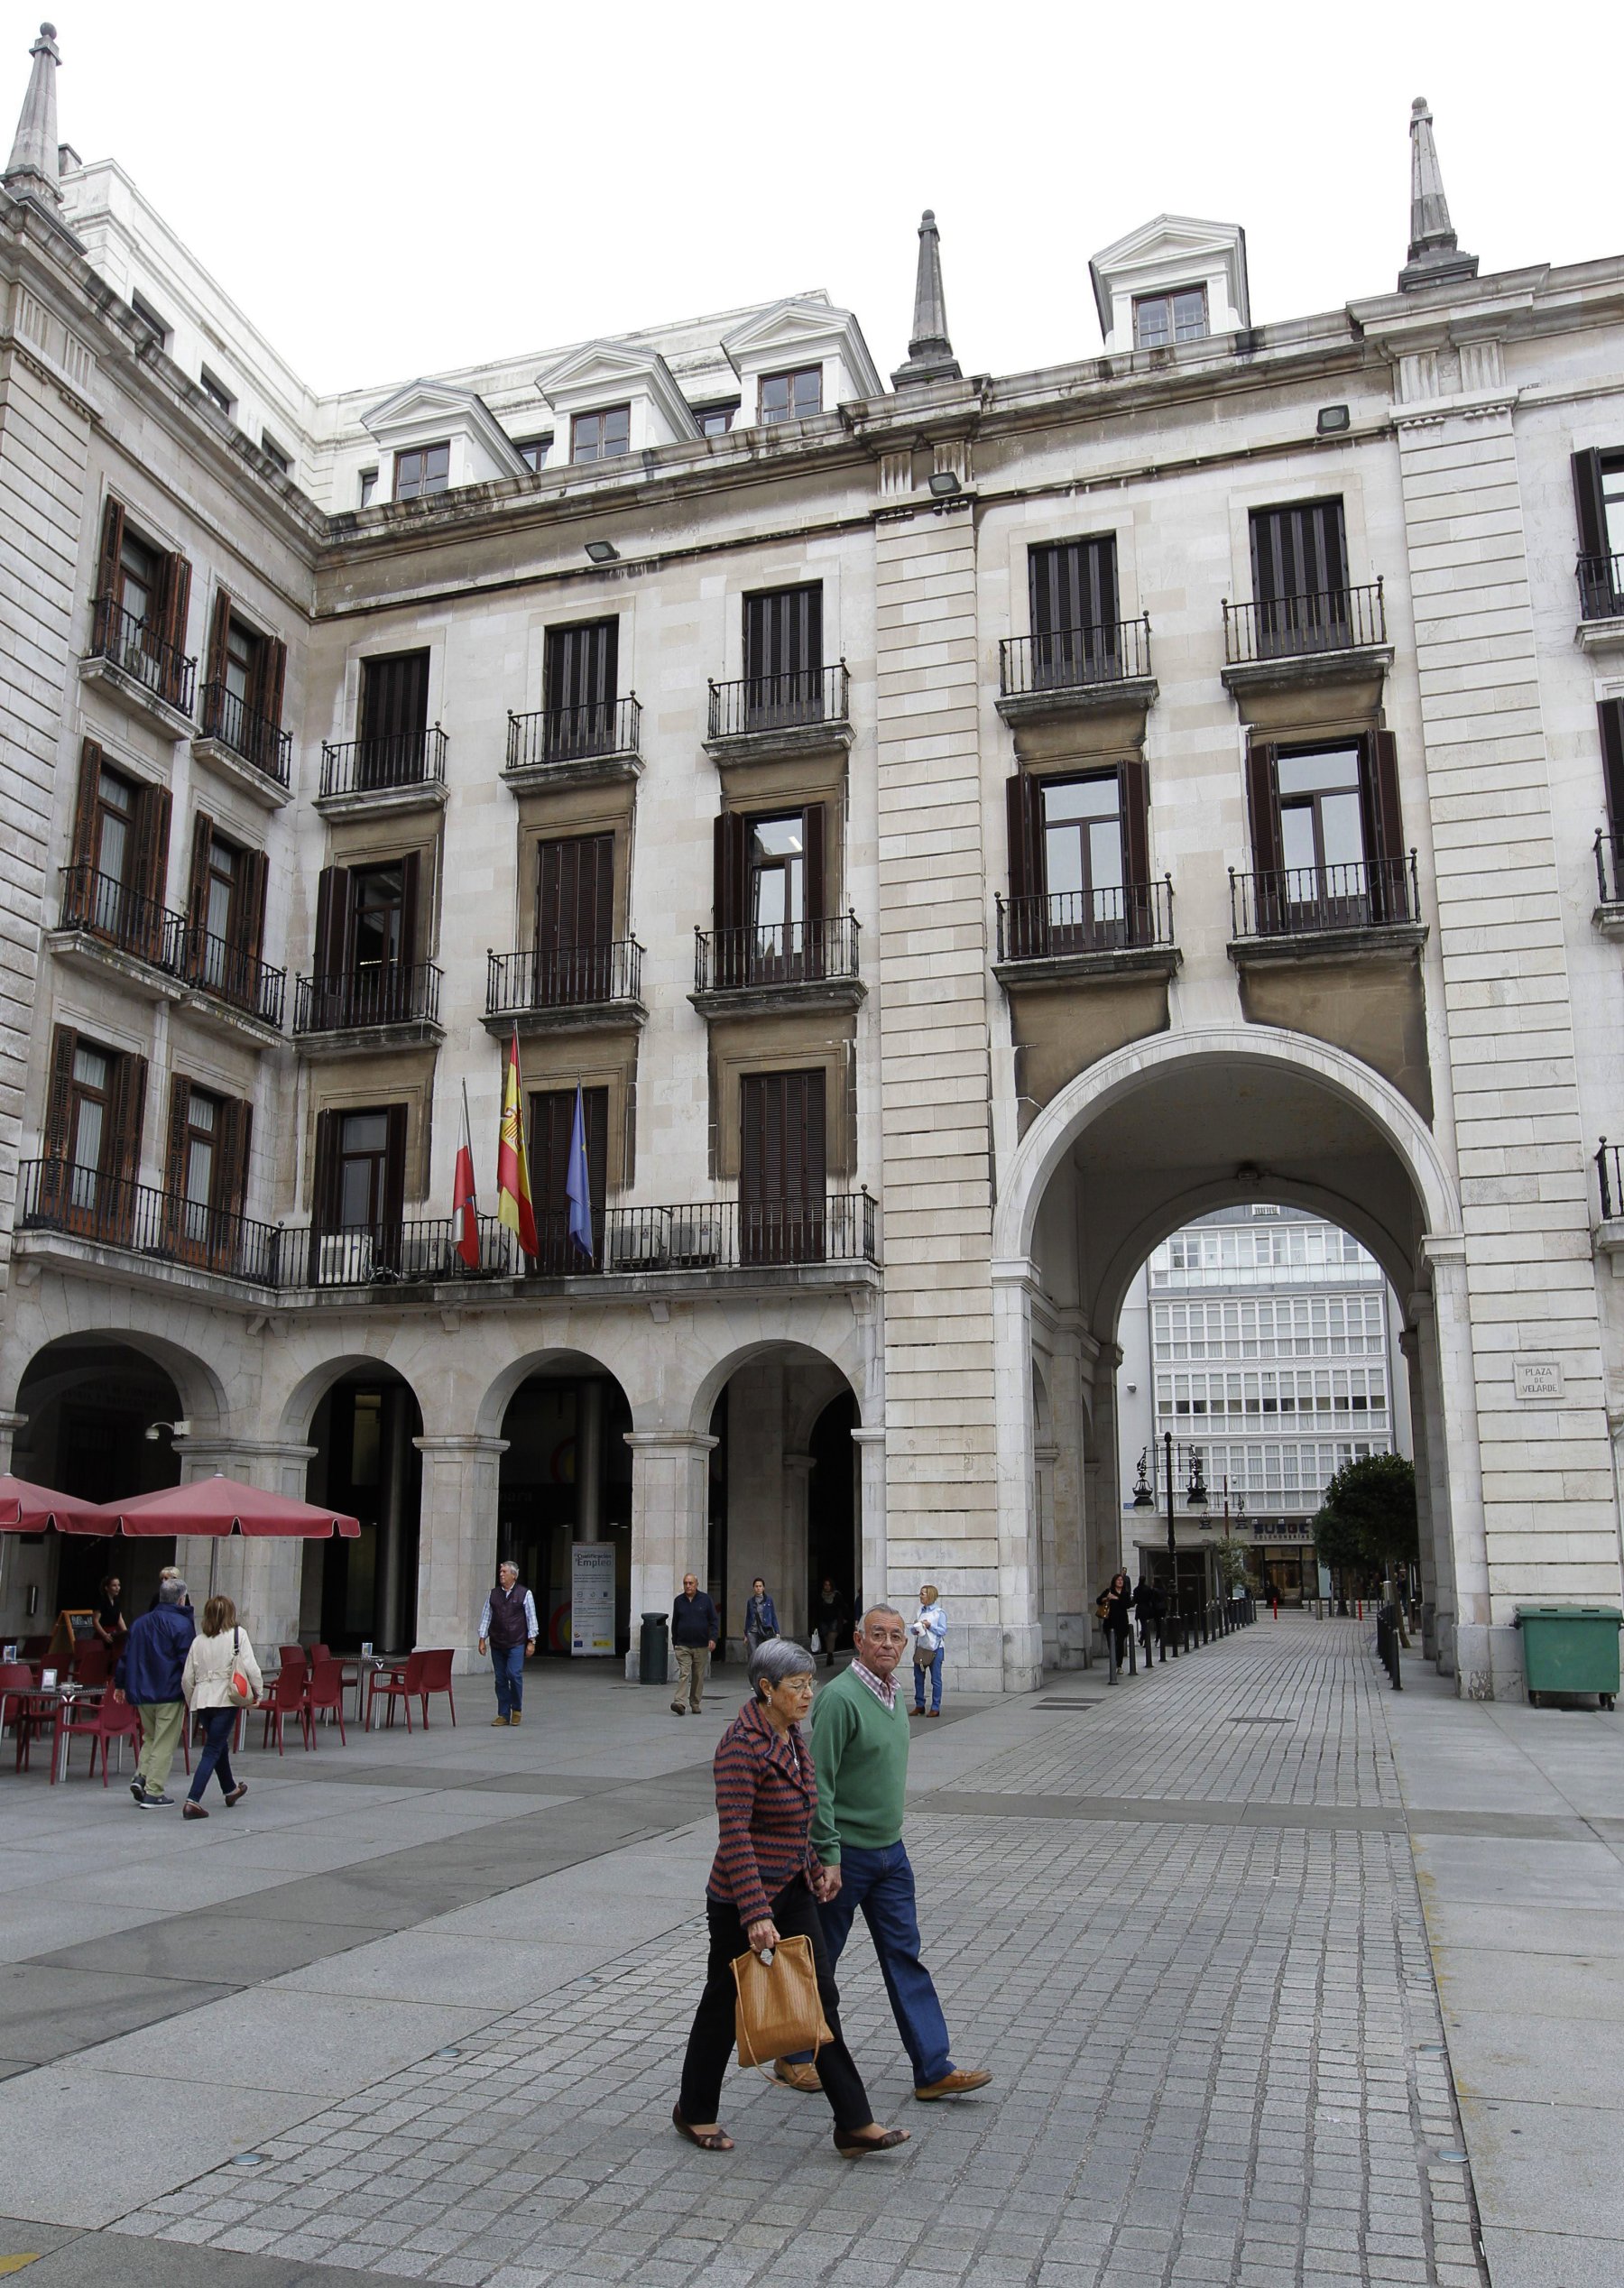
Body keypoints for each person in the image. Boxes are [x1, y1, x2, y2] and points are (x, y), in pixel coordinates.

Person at [673, 1636, 908, 2159]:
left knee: (821, 1996)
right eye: (797, 1686)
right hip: (741, 1899)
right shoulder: (741, 1746)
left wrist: (815, 1865)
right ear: (766, 1688)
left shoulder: (792, 1735)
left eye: (809, 1684)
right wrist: (755, 1913)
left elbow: (797, 1817)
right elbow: (735, 1834)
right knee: (724, 2004)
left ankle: (853, 2122)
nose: (807, 1694)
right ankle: (694, 2110)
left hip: (793, 1889)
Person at [777, 1604, 992, 2104]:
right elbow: (818, 1782)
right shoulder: (839, 1699)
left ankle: (933, 2067)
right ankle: (794, 2053)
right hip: (845, 1857)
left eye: (897, 1635)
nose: (889, 1644)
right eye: (878, 1635)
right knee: (818, 1959)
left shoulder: (895, 1696)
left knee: (904, 1957)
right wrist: (825, 1852)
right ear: (858, 1639)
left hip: (890, 1855)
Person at [114, 1576, 196, 1808]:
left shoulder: (140, 1623)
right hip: (168, 1690)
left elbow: (125, 1658)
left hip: (142, 1690)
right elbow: (187, 1662)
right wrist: (192, 1691)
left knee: (150, 1737)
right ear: (182, 1599)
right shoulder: (181, 1625)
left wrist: (120, 1684)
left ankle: (141, 1777)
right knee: (164, 1742)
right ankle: (154, 1790)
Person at [180, 1594, 262, 1820]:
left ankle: (230, 1789)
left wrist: (191, 1701)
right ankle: (192, 1800)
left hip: (203, 1699)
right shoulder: (238, 1634)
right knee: (213, 1749)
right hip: (226, 1698)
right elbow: (251, 1667)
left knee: (218, 1744)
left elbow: (187, 1678)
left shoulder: (198, 1641)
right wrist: (258, 1691)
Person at [477, 1560, 538, 1727]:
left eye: (504, 1572)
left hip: (516, 1641)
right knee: (500, 1679)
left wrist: (531, 1641)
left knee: (514, 1674)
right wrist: (482, 1639)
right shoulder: (493, 1594)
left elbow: (531, 1618)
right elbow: (486, 1617)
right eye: (500, 1571)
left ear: (514, 1575)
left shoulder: (524, 1593)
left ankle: (516, 1708)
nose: (501, 1574)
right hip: (497, 1643)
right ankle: (503, 1713)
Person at [670, 1571, 719, 1716]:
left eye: (690, 1583)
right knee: (684, 1673)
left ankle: (695, 1702)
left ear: (696, 1585)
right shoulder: (679, 1601)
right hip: (683, 1644)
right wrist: (675, 1641)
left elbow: (713, 1621)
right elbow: (675, 1622)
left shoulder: (705, 1600)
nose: (688, 1586)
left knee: (698, 1675)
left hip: (701, 1644)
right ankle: (680, 1702)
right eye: (685, 1583)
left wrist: (713, 1638)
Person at [909, 1584, 947, 1717]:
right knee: (918, 1678)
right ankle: (920, 1704)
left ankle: (935, 1707)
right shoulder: (920, 1611)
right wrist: (915, 1628)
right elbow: (913, 1629)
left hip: (935, 1649)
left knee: (935, 1679)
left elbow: (943, 1631)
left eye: (923, 1594)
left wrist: (929, 1626)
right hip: (921, 1648)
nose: (920, 1596)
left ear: (930, 1595)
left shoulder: (939, 1612)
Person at [1098, 1570, 1133, 1672]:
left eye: (1121, 1580)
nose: (1120, 1581)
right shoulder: (1108, 1591)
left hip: (1122, 1621)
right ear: (1114, 1581)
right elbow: (1098, 1600)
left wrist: (1116, 1598)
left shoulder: (1125, 1593)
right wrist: (1106, 1599)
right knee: (1111, 1643)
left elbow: (1127, 1605)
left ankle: (1119, 1665)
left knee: (1120, 1644)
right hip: (1110, 1621)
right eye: (1118, 1580)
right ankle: (1113, 1661)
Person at [815, 1578, 847, 1669]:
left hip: (834, 1620)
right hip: (823, 1620)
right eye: (825, 1585)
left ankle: (830, 1655)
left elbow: (842, 1607)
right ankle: (830, 1652)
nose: (827, 1587)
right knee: (826, 1638)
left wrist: (844, 1618)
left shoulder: (837, 1596)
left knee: (831, 1637)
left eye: (829, 1585)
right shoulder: (820, 1596)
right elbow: (816, 1609)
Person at [1132, 1573, 1164, 1665]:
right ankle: (1144, 1639)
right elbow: (1151, 1598)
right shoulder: (1149, 1589)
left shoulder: (1136, 1589)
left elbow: (1135, 1600)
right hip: (1147, 1607)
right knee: (1145, 1625)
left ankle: (1143, 1639)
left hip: (1141, 1608)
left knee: (1143, 1625)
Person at [743, 1577, 779, 1654]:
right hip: (752, 1631)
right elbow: (748, 1618)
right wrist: (746, 1634)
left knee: (764, 1653)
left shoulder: (769, 1600)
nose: (758, 1588)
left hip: (765, 1630)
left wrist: (777, 1631)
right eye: (756, 1586)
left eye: (760, 1586)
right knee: (753, 1653)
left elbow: (773, 1616)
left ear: (763, 1588)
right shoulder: (750, 1601)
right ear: (754, 1588)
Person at [93, 1574, 125, 1650]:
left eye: (119, 1585)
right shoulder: (101, 1601)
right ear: (107, 1588)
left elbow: (120, 1619)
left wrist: (125, 1633)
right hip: (103, 1634)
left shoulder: (117, 1601)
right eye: (114, 1585)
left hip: (114, 1634)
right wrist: (104, 1635)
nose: (117, 1588)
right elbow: (95, 1621)